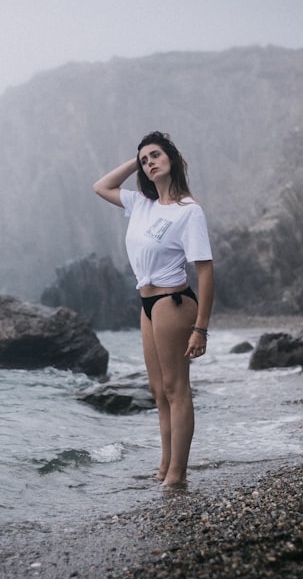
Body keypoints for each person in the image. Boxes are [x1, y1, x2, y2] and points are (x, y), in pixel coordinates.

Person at [93, 131, 214, 486]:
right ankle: (164, 466)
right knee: (159, 392)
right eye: (145, 160)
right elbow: (101, 186)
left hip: (173, 303)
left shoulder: (188, 212)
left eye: (156, 156)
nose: (150, 163)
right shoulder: (140, 204)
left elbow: (205, 271)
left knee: (177, 390)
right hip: (146, 303)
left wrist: (201, 328)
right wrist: (137, 161)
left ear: (172, 159)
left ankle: (177, 474)